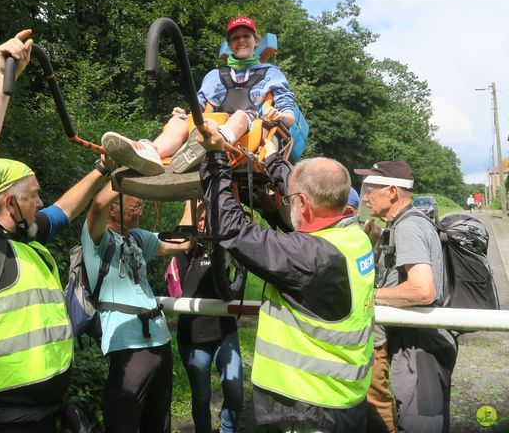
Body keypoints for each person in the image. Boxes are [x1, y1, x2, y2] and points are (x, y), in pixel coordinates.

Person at [0, 30, 112, 432]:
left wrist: (104, 168)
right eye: (33, 195)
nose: (40, 202)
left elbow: (65, 211)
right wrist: (3, 77)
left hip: (38, 417)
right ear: (10, 202)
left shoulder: (25, 242)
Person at [197, 123, 376, 433]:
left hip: (308, 410)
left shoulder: (310, 256)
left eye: (293, 198)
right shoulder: (353, 237)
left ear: (303, 203)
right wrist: (275, 163)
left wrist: (215, 158)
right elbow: (308, 194)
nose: (288, 201)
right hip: (340, 401)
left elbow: (231, 230)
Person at [101, 15, 298, 176]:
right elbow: (200, 109)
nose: (241, 41)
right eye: (235, 38)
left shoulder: (271, 73)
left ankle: (214, 145)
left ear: (255, 41)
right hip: (210, 127)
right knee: (178, 120)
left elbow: (288, 115)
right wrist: (183, 114)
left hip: (247, 131)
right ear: (229, 45)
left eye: (246, 36)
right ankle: (150, 152)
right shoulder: (214, 76)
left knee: (240, 115)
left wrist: (280, 116)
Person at [354, 161, 458, 433]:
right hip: (418, 340)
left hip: (420, 343)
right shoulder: (405, 222)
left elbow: (422, 290)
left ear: (391, 192)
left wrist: (371, 295)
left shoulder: (408, 227)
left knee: (419, 424)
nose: (365, 197)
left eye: (371, 190)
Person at [81, 184, 191, 433]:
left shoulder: (138, 237)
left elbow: (181, 243)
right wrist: (124, 173)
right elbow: (96, 204)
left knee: (159, 421)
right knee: (123, 423)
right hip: (127, 345)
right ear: (113, 210)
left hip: (160, 340)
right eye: (135, 207)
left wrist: (189, 198)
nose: (140, 213)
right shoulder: (97, 240)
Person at [172, 201, 244, 433]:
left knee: (235, 392)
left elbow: (238, 227)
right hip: (193, 335)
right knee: (201, 396)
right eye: (200, 220)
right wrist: (190, 199)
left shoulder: (224, 248)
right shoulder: (187, 251)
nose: (204, 224)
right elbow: (183, 233)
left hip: (224, 332)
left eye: (209, 219)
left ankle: (227, 429)